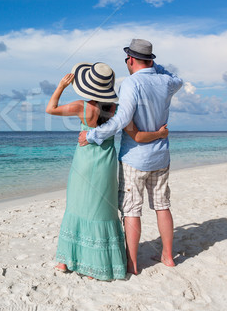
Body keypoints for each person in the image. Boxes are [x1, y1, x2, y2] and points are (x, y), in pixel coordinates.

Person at [47, 62, 168, 280]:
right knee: (101, 210)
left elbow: (50, 109)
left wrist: (61, 87)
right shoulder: (117, 111)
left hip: (83, 163)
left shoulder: (81, 107)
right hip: (106, 165)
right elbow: (138, 136)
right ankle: (94, 267)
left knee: (76, 206)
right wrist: (159, 135)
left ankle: (64, 261)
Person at [78, 39, 183, 275]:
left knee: (131, 210)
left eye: (127, 58)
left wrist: (93, 135)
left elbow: (121, 120)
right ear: (151, 60)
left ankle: (133, 264)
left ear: (131, 60)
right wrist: (156, 67)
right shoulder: (166, 81)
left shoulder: (131, 84)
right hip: (160, 156)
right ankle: (168, 256)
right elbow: (178, 78)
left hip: (135, 159)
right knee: (162, 206)